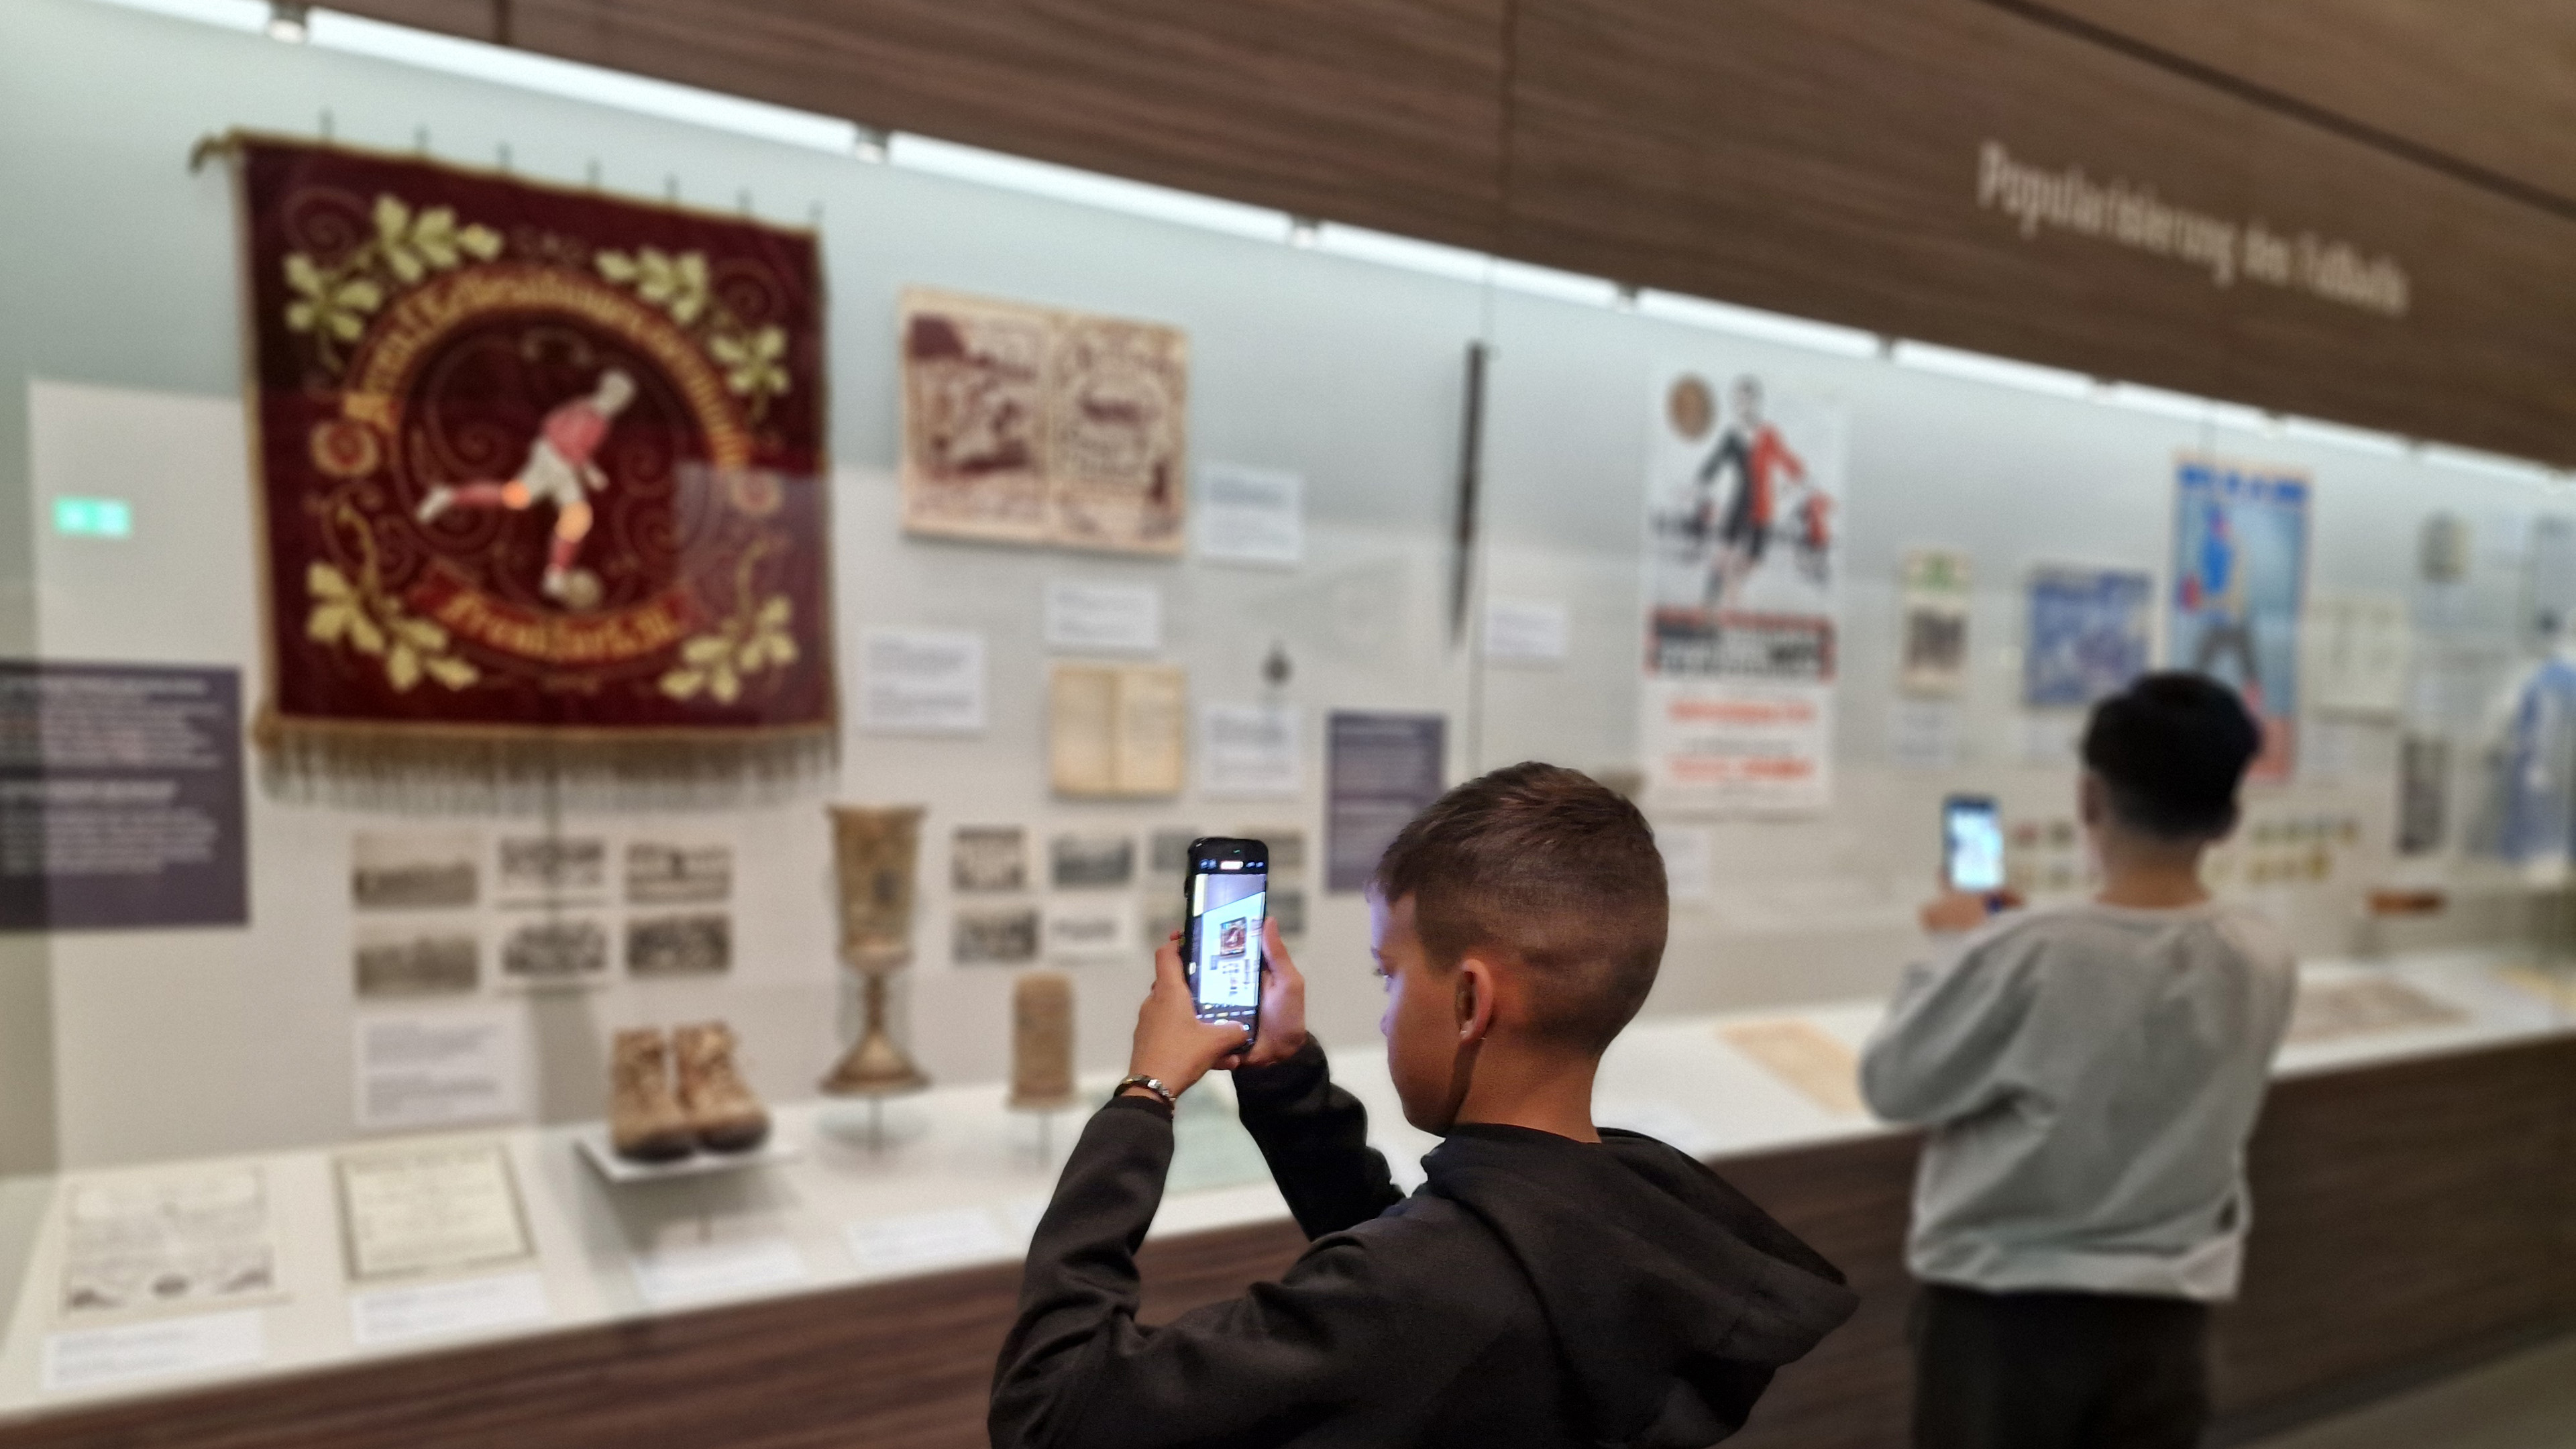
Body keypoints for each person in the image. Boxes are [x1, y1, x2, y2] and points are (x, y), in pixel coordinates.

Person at [991, 763, 1857, 1449]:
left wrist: (1143, 1099)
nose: (1382, 1007)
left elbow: (1050, 1410)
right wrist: (1284, 1076)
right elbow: (1430, 1244)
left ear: (1473, 1001)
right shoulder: (1645, 1212)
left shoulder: (1413, 1296)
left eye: (1388, 974)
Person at [1860, 674, 2296, 1449]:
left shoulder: (2026, 952)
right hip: (2170, 1313)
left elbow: (1894, 1083)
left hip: (2004, 1313)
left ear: (2089, 798)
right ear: (2230, 816)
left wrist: (1956, 945)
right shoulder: (2263, 954)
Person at [416, 367, 636, 605]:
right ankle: (448, 496)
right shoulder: (591, 412)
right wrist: (589, 471)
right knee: (539, 503)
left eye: (624, 400)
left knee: (566, 511)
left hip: (560, 462)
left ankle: (554, 576)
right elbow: (566, 442)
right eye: (619, 397)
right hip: (554, 459)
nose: (620, 403)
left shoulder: (597, 415)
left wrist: (583, 466)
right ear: (610, 392)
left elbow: (563, 434)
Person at [1694, 376, 1805, 611]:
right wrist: (1701, 491)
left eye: (1747, 400)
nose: (1743, 406)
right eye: (1739, 401)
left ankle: (1732, 587)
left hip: (1763, 505)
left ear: (1757, 402)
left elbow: (1791, 464)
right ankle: (1709, 603)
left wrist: (1788, 487)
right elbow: (1711, 467)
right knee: (1723, 554)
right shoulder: (1732, 437)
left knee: (1756, 558)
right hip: (1740, 502)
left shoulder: (1768, 435)